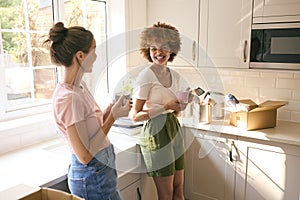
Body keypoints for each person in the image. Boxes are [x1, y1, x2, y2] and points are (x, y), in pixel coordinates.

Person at [44, 22, 131, 200]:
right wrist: (113, 117)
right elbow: (84, 155)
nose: (96, 56)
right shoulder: (68, 98)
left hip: (100, 172)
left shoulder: (79, 87)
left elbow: (93, 129)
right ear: (81, 56)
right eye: (94, 50)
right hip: (92, 177)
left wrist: (111, 110)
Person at [132, 22, 191, 200]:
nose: (159, 52)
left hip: (174, 128)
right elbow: (135, 116)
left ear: (171, 49)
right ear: (147, 50)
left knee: (179, 190)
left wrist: (180, 107)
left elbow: (175, 112)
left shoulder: (175, 75)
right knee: (165, 195)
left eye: (164, 47)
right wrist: (165, 107)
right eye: (154, 48)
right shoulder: (146, 76)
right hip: (156, 132)